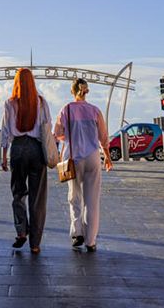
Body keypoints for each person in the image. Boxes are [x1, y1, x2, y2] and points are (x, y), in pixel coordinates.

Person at [55, 78, 113, 252]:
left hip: (74, 158)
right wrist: (108, 158)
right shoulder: (95, 111)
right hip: (93, 157)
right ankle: (91, 241)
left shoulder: (66, 109)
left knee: (74, 197)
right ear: (86, 91)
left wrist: (70, 138)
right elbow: (103, 138)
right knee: (92, 200)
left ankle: (77, 233)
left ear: (73, 91)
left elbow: (58, 133)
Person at [1, 68, 51, 254]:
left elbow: (5, 130)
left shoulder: (10, 103)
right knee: (37, 199)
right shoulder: (41, 102)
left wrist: (4, 156)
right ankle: (35, 243)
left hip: (18, 149)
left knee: (18, 193)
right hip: (37, 149)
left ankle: (21, 230)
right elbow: (48, 126)